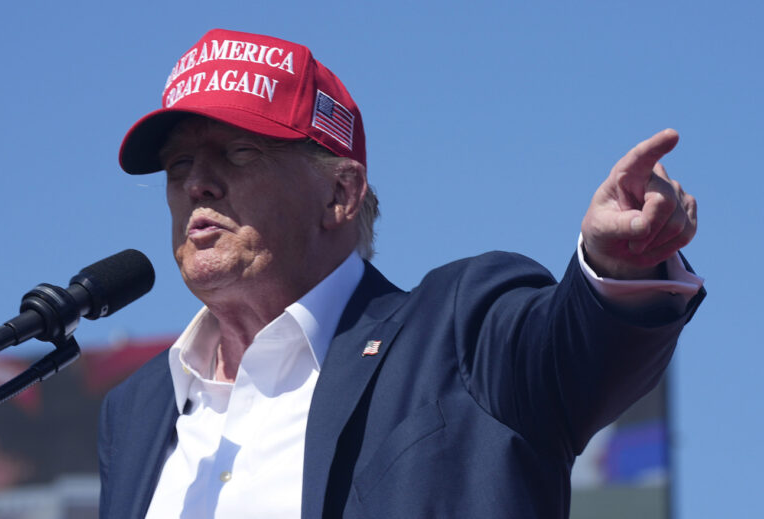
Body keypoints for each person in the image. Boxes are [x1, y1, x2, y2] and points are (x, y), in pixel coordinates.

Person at [98, 29, 704, 519]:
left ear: (341, 193)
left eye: (238, 153)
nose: (197, 184)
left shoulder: (458, 329)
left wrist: (619, 266)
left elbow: (579, 350)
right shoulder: (136, 411)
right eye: (179, 164)